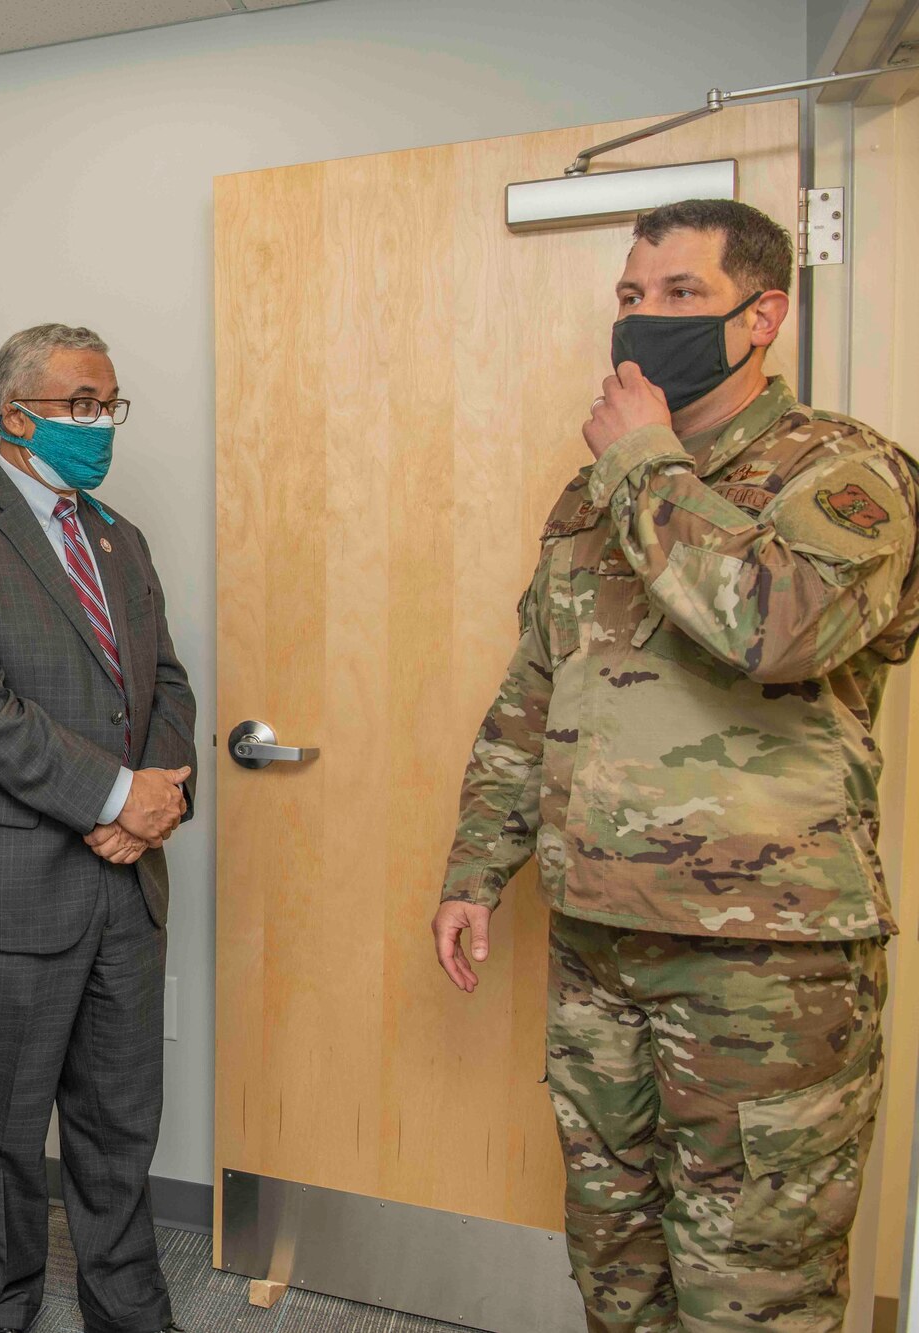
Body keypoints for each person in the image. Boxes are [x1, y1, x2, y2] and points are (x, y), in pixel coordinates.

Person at [432, 199, 917, 1332]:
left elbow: (779, 629)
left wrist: (642, 461)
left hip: (764, 968)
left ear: (763, 316)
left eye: (680, 295)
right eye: (629, 296)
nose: (642, 320)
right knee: (616, 1265)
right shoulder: (591, 496)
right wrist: (471, 869)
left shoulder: (843, 471)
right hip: (599, 946)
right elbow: (533, 696)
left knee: (756, 1291)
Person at [0, 323, 197, 1333]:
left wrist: (154, 799)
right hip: (7, 882)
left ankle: (125, 1304)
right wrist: (114, 796)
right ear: (16, 414)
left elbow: (166, 684)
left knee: (118, 1118)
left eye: (109, 403)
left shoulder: (118, 535)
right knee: (2, 1124)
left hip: (124, 883)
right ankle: (1, 1304)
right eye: (79, 404)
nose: (99, 423)